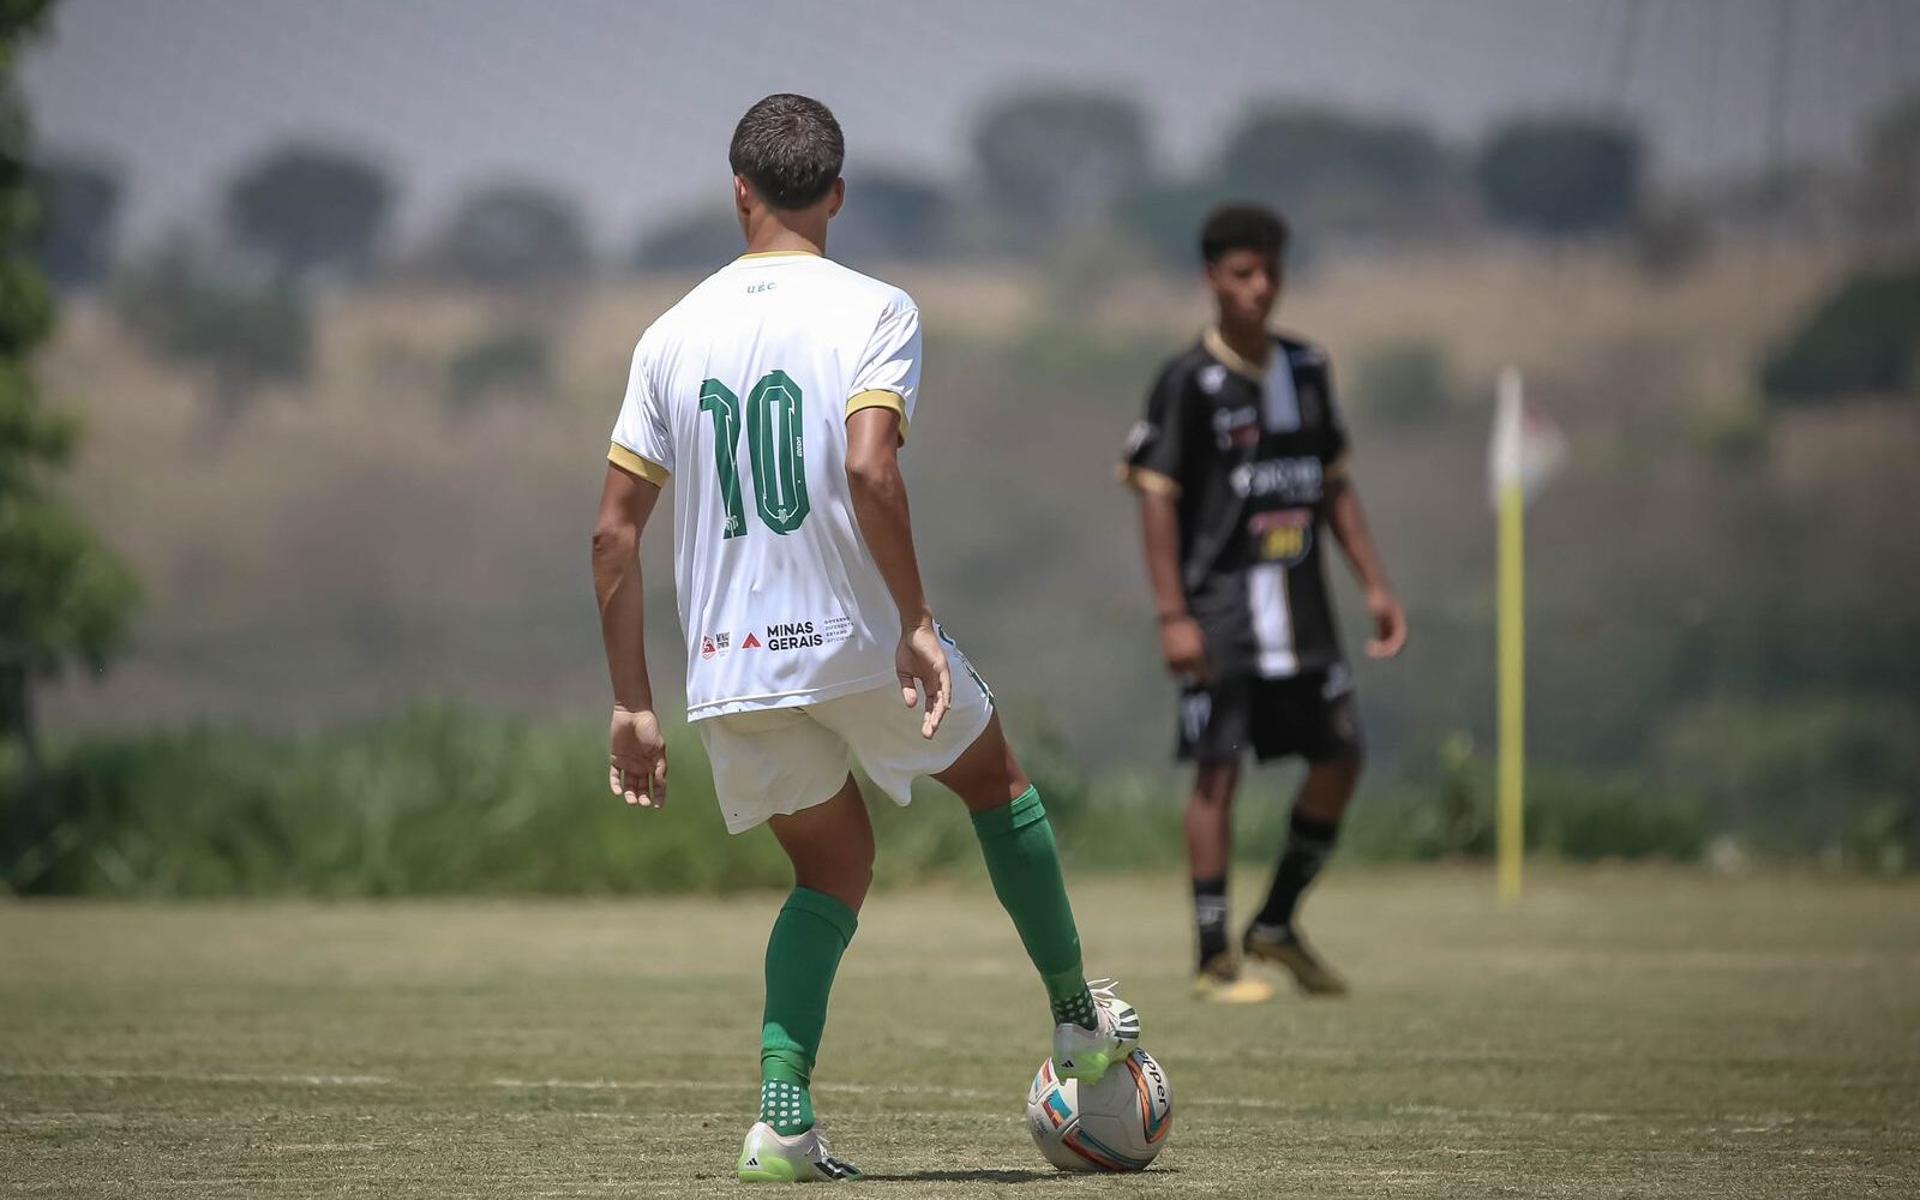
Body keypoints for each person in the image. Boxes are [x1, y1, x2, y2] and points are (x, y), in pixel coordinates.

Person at [591, 93, 1138, 1183]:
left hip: (728, 669)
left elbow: (614, 531)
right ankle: (1078, 1018)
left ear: (738, 190)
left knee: (830, 874)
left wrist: (632, 702)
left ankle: (782, 1120)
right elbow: (868, 467)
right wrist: (918, 625)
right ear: (836, 193)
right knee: (997, 785)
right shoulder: (877, 309)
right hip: (850, 634)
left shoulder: (666, 335)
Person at [1118, 203, 1408, 1005]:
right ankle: (1215, 957)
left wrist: (1375, 585)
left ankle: (1276, 922)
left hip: (1305, 613)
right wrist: (1173, 614)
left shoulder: (1307, 368)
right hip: (1221, 614)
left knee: (1341, 759)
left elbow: (1333, 486)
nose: (1261, 289)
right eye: (1244, 274)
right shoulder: (1188, 381)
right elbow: (1156, 497)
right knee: (1217, 772)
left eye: (1272, 272)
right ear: (1212, 278)